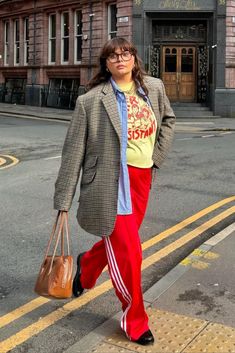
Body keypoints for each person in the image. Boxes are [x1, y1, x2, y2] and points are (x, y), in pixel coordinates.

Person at [54, 37, 175, 346]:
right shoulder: (91, 101)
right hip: (110, 184)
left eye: (126, 54)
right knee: (131, 253)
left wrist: (154, 159)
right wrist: (63, 201)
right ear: (106, 64)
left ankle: (88, 266)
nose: (120, 60)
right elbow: (73, 153)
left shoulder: (153, 88)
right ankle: (134, 319)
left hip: (141, 180)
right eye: (113, 56)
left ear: (134, 58)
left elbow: (168, 120)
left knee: (121, 244)